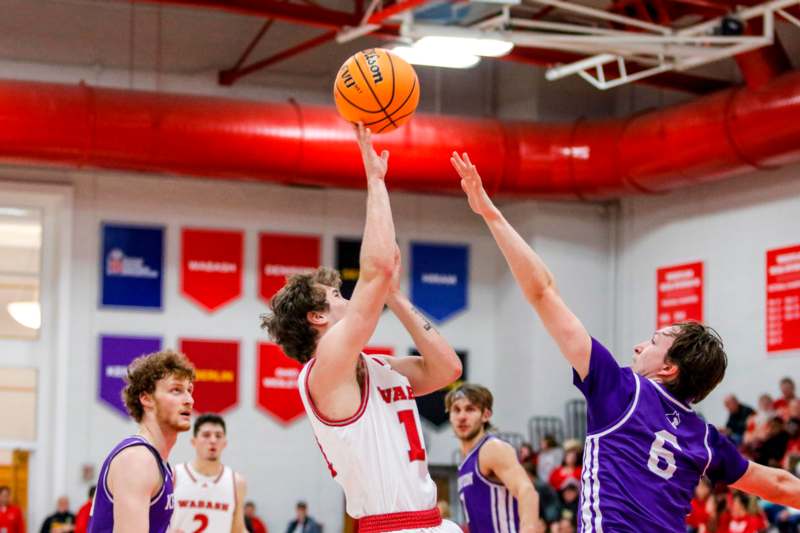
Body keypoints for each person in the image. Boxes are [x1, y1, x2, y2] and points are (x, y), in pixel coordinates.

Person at [450, 151, 800, 532]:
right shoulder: (703, 436)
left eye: (652, 342)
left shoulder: (620, 390)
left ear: (669, 368)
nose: (638, 346)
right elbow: (779, 483)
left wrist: (490, 213)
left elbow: (542, 292)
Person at [262, 124, 462, 533]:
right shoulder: (326, 370)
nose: (346, 296)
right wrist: (375, 182)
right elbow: (377, 268)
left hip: (431, 522)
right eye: (335, 295)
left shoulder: (377, 367)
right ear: (316, 318)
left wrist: (395, 297)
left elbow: (447, 370)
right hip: (390, 527)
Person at [88, 350, 195, 533]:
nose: (189, 400)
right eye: (176, 390)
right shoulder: (137, 460)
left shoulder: (159, 463)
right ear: (146, 399)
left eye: (189, 390)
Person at [446, 383, 539, 533]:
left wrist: (529, 528)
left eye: (470, 409)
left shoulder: (492, 449)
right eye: (456, 410)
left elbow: (527, 491)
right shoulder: (465, 463)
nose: (462, 416)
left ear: (486, 415)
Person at [171, 414, 246, 533]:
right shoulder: (174, 475)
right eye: (206, 435)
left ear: (225, 443)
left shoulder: (236, 482)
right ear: (193, 441)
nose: (213, 440)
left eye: (218, 436)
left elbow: (238, 529)